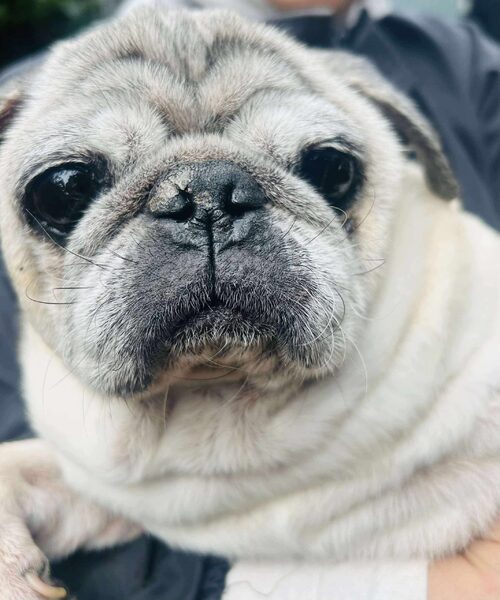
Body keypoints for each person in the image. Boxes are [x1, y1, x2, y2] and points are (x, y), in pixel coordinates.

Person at [0, 0, 499, 598]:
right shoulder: (37, 93)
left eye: (325, 173)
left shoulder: (460, 63)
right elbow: (127, 490)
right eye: (69, 192)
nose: (208, 218)